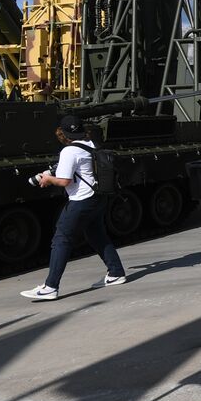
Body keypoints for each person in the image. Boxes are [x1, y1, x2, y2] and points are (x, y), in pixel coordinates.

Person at [20, 115, 127, 300]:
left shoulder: (69, 151)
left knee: (61, 238)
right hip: (98, 197)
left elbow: (64, 181)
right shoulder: (91, 144)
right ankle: (116, 272)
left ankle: (50, 287)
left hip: (82, 200)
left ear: (61, 133)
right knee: (97, 235)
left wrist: (47, 179)